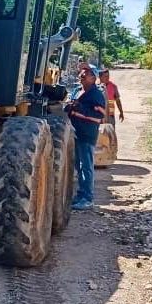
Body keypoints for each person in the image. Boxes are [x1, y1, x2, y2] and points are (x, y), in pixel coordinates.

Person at [65, 67, 106, 211]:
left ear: (93, 78)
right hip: (75, 132)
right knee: (78, 165)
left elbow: (99, 115)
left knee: (86, 166)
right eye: (82, 72)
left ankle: (87, 198)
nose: (82, 74)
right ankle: (80, 195)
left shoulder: (96, 94)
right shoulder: (77, 90)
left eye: (86, 73)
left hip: (87, 133)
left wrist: (80, 108)